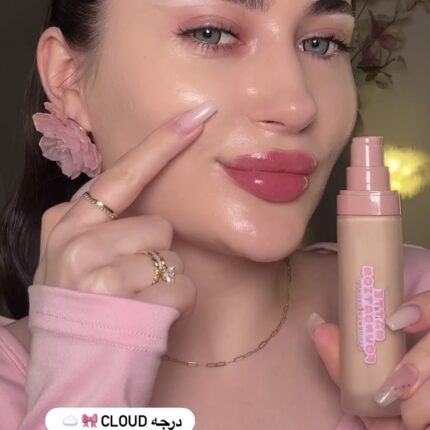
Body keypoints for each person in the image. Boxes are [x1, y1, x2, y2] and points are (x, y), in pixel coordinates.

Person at [0, 0, 429, 429]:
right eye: (211, 34)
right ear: (68, 79)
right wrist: (82, 390)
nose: (297, 106)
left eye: (322, 43)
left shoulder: (415, 305)